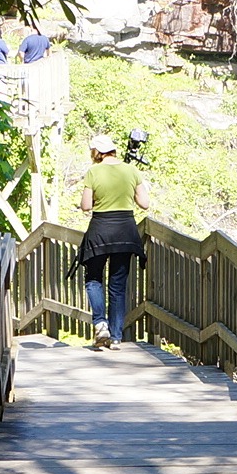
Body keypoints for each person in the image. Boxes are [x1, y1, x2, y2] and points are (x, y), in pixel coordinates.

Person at [74, 131, 146, 350]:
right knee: (118, 284)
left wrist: (99, 198)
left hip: (100, 231)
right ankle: (115, 337)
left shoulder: (93, 172)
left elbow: (86, 206)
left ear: (96, 152)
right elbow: (144, 203)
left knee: (93, 278)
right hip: (125, 231)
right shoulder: (131, 170)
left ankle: (100, 323)